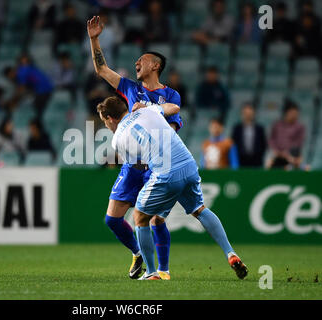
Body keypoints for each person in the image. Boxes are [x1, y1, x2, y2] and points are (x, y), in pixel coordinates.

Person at [97, 96, 248, 280]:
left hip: (165, 172)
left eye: (105, 123)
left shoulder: (118, 138)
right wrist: (150, 106)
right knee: (199, 209)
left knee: (140, 217)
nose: (107, 127)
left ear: (110, 118)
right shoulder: (146, 110)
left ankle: (152, 272)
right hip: (188, 164)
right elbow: (174, 108)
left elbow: (137, 165)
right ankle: (230, 253)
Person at [87, 15, 183, 280]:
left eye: (142, 59)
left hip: (156, 167)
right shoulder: (130, 89)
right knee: (112, 219)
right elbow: (102, 71)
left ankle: (162, 272)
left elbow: (172, 129)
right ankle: (138, 252)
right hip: (132, 165)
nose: (136, 62)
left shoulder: (171, 96)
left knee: (155, 220)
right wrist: (94, 39)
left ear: (156, 65)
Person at [3, 53, 54, 118]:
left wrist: (11, 101)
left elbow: (21, 91)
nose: (10, 79)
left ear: (11, 73)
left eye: (9, 77)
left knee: (36, 112)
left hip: (44, 90)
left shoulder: (21, 73)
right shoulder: (24, 69)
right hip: (44, 89)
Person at [267, 101, 306, 169]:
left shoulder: (300, 127)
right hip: (277, 155)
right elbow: (272, 140)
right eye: (293, 113)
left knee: (301, 166)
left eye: (296, 113)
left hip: (292, 157)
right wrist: (278, 152)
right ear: (286, 113)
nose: (295, 115)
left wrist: (287, 153)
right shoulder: (277, 125)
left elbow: (298, 143)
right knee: (269, 163)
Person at [231, 102, 267, 167]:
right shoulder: (237, 128)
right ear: (242, 114)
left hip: (256, 161)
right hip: (241, 160)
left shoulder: (260, 128)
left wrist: (259, 155)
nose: (248, 115)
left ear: (253, 113)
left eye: (250, 113)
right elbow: (233, 143)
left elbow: (263, 144)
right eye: (246, 113)